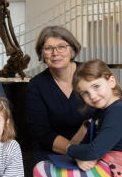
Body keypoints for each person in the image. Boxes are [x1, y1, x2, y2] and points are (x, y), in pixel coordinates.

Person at [33, 60, 122, 177]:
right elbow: (84, 146)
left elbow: (94, 150)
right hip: (105, 167)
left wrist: (69, 150)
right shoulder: (102, 111)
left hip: (114, 173)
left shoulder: (117, 111)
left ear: (111, 81)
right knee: (45, 165)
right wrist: (79, 157)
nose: (92, 95)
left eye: (96, 86)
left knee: (41, 171)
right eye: (85, 93)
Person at [26, 26, 94, 164]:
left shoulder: (91, 74)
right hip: (53, 152)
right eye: (48, 48)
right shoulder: (36, 85)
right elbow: (41, 133)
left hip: (94, 148)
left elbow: (114, 108)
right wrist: (74, 151)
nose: (55, 53)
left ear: (72, 49)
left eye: (61, 46)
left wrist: (87, 128)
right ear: (42, 53)